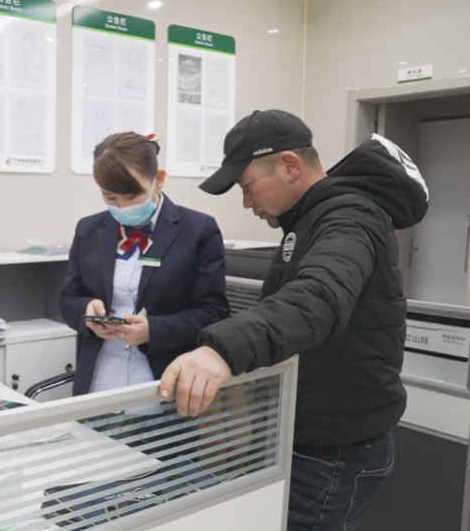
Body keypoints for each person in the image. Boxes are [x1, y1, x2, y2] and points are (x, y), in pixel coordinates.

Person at [158, 110, 429, 530]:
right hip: (305, 438)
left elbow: (318, 297)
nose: (246, 202)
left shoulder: (349, 219)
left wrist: (220, 351)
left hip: (333, 454)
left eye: (247, 186)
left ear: (289, 165)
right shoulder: (309, 222)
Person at [60, 132, 229, 396]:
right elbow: (68, 299)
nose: (121, 207)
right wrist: (87, 311)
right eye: (110, 197)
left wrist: (154, 331)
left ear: (158, 179)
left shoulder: (198, 230)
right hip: (100, 379)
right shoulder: (89, 229)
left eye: (132, 196)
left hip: (164, 380)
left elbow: (214, 312)